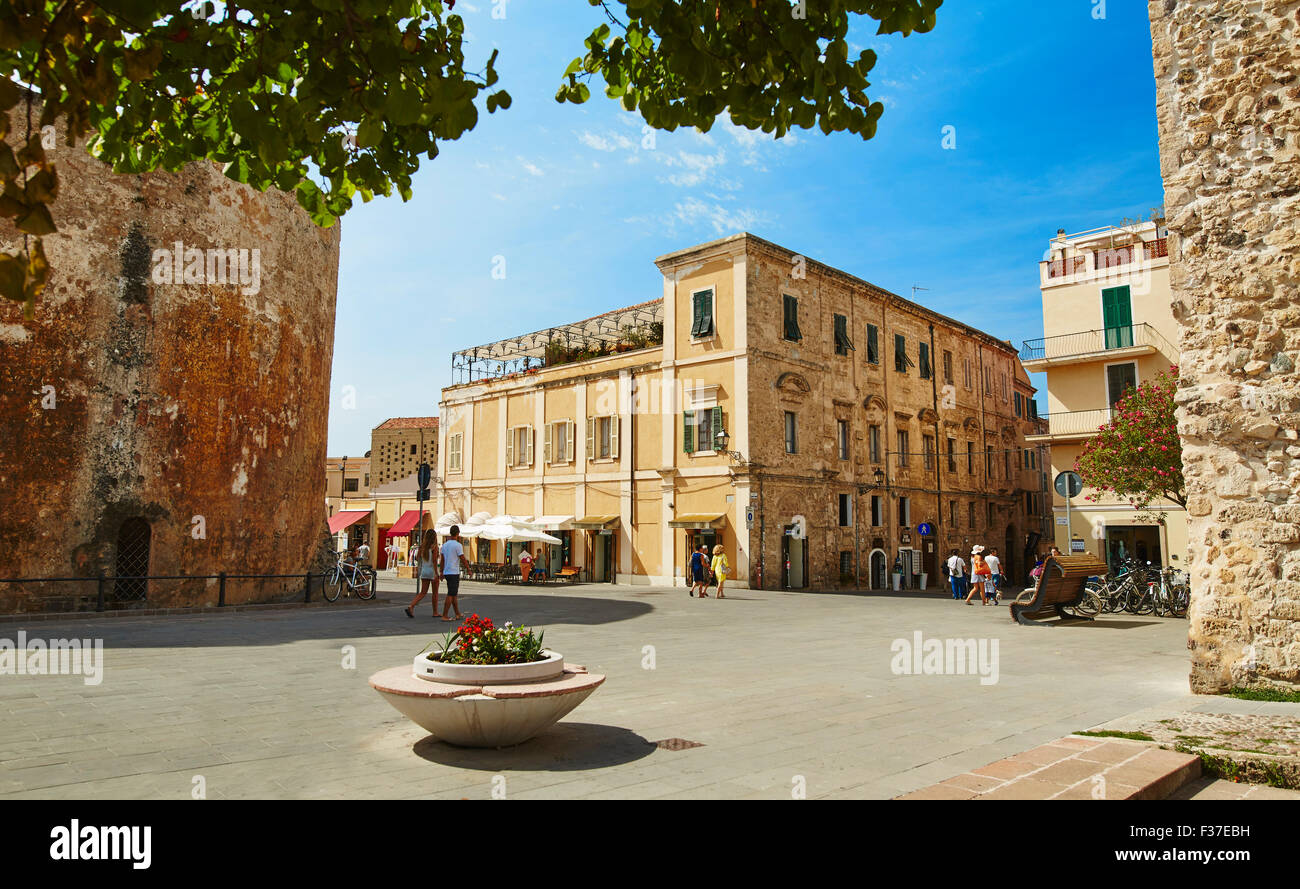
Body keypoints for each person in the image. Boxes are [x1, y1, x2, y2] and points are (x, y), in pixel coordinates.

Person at [405, 532, 442, 618]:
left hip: (424, 571)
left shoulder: (422, 547)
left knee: (423, 592)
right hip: (432, 571)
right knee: (435, 593)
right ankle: (435, 612)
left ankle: (411, 606)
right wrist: (436, 573)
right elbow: (434, 561)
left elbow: (417, 558)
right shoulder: (434, 547)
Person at [439, 526, 472, 621]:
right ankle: (445, 615)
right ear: (458, 533)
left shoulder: (444, 545)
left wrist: (441, 572)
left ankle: (457, 613)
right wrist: (468, 569)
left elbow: (442, 560)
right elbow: (462, 558)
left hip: (447, 572)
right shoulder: (458, 545)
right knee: (451, 594)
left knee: (453, 594)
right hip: (453, 572)